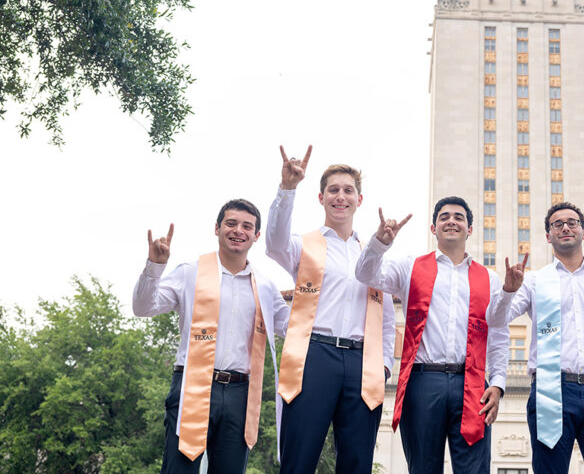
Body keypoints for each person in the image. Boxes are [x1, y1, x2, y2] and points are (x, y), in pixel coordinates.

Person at [133, 199, 290, 474]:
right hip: (193, 384)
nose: (238, 230)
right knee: (179, 468)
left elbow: (294, 327)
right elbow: (143, 307)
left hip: (241, 393)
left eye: (247, 226)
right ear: (217, 228)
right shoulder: (189, 272)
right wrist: (153, 268)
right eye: (231, 223)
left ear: (255, 236)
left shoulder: (265, 287)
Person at [266, 146, 396, 474]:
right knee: (300, 456)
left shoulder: (373, 252)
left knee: (356, 461)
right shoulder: (303, 244)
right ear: (321, 198)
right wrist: (287, 188)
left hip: (361, 363)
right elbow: (274, 243)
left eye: (348, 190)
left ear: (359, 200)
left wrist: (383, 366)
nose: (341, 196)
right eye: (333, 190)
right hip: (314, 356)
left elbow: (387, 320)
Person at [355, 197, 508, 474]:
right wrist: (379, 243)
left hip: (472, 382)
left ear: (469, 229)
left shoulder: (489, 278)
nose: (451, 221)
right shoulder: (410, 266)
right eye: (444, 217)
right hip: (423, 380)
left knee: (474, 469)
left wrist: (497, 384)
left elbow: (498, 334)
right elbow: (366, 274)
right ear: (433, 228)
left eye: (459, 217)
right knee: (423, 466)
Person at [488, 201, 584, 474]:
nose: (565, 227)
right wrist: (507, 290)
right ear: (548, 236)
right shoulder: (533, 281)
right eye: (557, 224)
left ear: (583, 231)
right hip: (551, 391)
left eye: (572, 222)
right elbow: (495, 320)